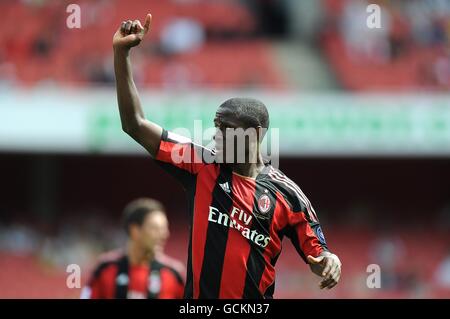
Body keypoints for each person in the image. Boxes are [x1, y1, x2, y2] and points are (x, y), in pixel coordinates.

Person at [112, 13, 341, 299]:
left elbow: (320, 252)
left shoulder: (287, 195)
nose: (216, 136)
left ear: (255, 134)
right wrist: (121, 54)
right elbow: (134, 123)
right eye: (216, 127)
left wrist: (330, 263)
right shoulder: (200, 165)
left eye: (226, 129)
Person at [81, 198, 184, 299]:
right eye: (156, 229)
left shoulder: (174, 274)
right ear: (135, 230)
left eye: (164, 228)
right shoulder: (105, 269)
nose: (165, 235)